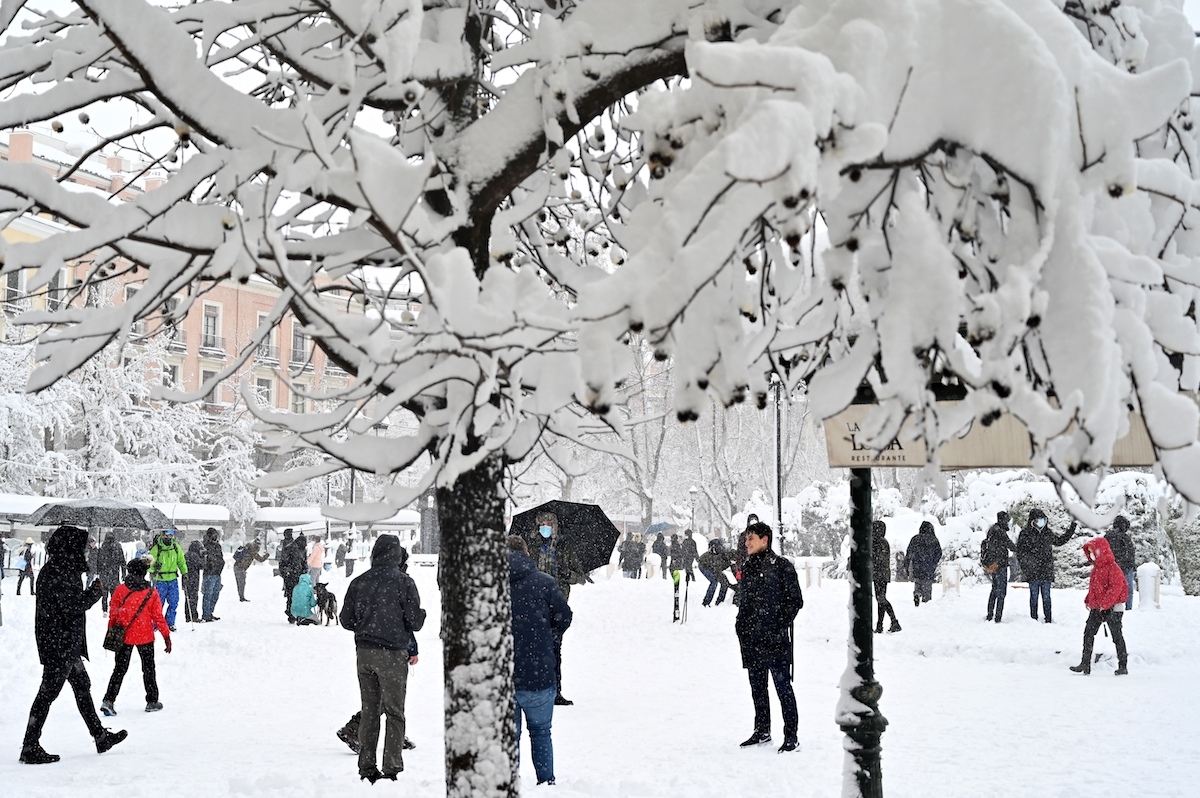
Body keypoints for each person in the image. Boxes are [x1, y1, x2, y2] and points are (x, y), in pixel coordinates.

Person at [19, 525, 127, 765]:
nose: (86, 551)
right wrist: (94, 593)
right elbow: (72, 606)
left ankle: (100, 736)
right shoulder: (61, 572)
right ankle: (29, 745)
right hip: (60, 644)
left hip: (62, 642)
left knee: (81, 686)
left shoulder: (58, 569)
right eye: (82, 546)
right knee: (48, 692)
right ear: (71, 548)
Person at [340, 534, 426, 783]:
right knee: (395, 712)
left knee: (370, 711)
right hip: (392, 654)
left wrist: (366, 625)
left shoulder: (359, 582)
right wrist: (419, 614)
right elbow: (415, 622)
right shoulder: (404, 582)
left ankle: (367, 766)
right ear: (397, 554)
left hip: (365, 653)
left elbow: (346, 620)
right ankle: (391, 766)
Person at [509, 535, 573, 786]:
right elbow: (564, 616)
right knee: (541, 732)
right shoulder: (545, 583)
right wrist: (548, 635)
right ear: (527, 554)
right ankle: (546, 782)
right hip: (538, 670)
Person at [735, 522, 803, 753]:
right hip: (751, 639)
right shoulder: (748, 566)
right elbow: (745, 601)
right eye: (746, 538)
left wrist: (776, 624)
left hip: (775, 640)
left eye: (751, 538)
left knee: (783, 688)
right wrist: (741, 626)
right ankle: (762, 730)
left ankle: (791, 736)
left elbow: (795, 601)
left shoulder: (782, 567)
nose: (747, 543)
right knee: (758, 688)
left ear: (764, 539)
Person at [100, 558, 172, 715]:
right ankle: (152, 701)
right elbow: (158, 617)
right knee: (148, 669)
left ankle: (109, 700)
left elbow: (113, 613)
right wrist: (166, 636)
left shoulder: (120, 590)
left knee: (119, 669)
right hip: (144, 635)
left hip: (124, 635)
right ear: (144, 573)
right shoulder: (151, 592)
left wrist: (111, 631)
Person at [533, 511, 585, 706]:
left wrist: (567, 573)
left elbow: (579, 576)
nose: (545, 526)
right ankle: (537, 688)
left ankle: (555, 691)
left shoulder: (564, 548)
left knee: (555, 650)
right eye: (542, 524)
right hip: (535, 605)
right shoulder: (533, 547)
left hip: (557, 606)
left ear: (555, 525)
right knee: (536, 650)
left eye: (549, 523)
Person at [1070, 536, 1130, 676]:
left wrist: (1105, 604)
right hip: (1099, 607)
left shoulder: (1113, 568)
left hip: (1113, 608)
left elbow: (1115, 588)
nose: (1091, 554)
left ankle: (1123, 665)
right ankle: (1085, 664)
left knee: (1117, 636)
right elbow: (1095, 588)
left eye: (1093, 551)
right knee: (1088, 633)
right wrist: (1089, 600)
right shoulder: (1096, 568)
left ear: (1101, 551)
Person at [1015, 509, 1077, 623]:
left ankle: (1048, 619)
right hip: (1032, 573)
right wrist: (1027, 567)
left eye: (1043, 520)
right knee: (1034, 597)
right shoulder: (1025, 534)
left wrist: (1072, 528)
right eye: (1039, 520)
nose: (1041, 522)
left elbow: (1060, 541)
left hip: (1046, 571)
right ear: (1033, 521)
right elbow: (1020, 553)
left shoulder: (1047, 533)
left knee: (1046, 597)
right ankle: (1033, 619)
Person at [981, 511, 1017, 623]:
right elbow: (1010, 546)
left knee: (994, 590)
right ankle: (998, 616)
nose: (1009, 523)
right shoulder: (1000, 532)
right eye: (1008, 521)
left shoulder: (992, 530)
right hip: (1000, 565)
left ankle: (990, 614)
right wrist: (1020, 548)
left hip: (993, 564)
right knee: (1001, 592)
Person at [149, 529, 188, 631]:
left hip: (173, 579)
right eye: (166, 534)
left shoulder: (176, 547)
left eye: (171, 535)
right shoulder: (156, 549)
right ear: (162, 535)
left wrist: (184, 573)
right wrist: (154, 568)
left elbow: (181, 561)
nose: (168, 537)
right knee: (158, 603)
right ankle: (155, 624)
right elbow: (149, 563)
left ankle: (170, 623)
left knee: (174, 602)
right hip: (160, 580)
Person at [871, 521, 901, 633]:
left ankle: (891, 622)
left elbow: (876, 558)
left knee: (881, 599)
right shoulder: (883, 541)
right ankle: (884, 624)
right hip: (883, 574)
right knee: (881, 599)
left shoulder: (876, 542)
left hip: (878, 574)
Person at [905, 521, 943, 606]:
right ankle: (926, 601)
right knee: (927, 585)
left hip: (917, 565)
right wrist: (933, 562)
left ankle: (917, 593)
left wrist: (907, 565)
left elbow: (909, 552)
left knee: (918, 582)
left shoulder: (915, 539)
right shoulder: (934, 540)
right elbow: (939, 553)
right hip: (928, 566)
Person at [1106, 516, 1137, 611]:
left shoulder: (1108, 536)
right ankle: (1128, 608)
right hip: (1125, 567)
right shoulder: (1125, 537)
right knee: (1128, 590)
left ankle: (1111, 608)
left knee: (1112, 589)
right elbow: (1130, 553)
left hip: (1115, 566)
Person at [280, 531, 308, 623]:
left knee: (298, 596)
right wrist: (286, 573)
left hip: (299, 576)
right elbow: (283, 563)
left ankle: (296, 614)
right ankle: (291, 614)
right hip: (290, 577)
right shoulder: (289, 548)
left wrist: (305, 572)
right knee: (291, 596)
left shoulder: (302, 549)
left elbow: (304, 562)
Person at [95, 533, 126, 615]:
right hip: (114, 574)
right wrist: (123, 574)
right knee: (114, 594)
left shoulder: (102, 547)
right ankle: (114, 609)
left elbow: (99, 562)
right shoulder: (117, 548)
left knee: (104, 594)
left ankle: (105, 610)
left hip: (104, 574)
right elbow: (123, 562)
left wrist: (98, 571)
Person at [698, 538, 734, 607]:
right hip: (704, 565)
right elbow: (717, 571)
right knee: (714, 582)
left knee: (725, 583)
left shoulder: (727, 555)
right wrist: (731, 586)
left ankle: (720, 602)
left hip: (714, 566)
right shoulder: (718, 557)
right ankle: (706, 603)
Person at [200, 527, 225, 622]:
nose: (215, 537)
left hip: (217, 573)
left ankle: (210, 612)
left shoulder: (218, 546)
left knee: (215, 594)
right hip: (209, 574)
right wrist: (209, 565)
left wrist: (220, 565)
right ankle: (206, 614)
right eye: (214, 535)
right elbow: (204, 559)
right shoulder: (205, 546)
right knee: (208, 594)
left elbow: (220, 557)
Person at [182, 539, 204, 624]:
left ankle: (188, 616)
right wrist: (203, 557)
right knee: (193, 598)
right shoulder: (194, 555)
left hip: (186, 578)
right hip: (193, 579)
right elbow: (201, 565)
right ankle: (193, 616)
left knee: (187, 598)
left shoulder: (186, 555)